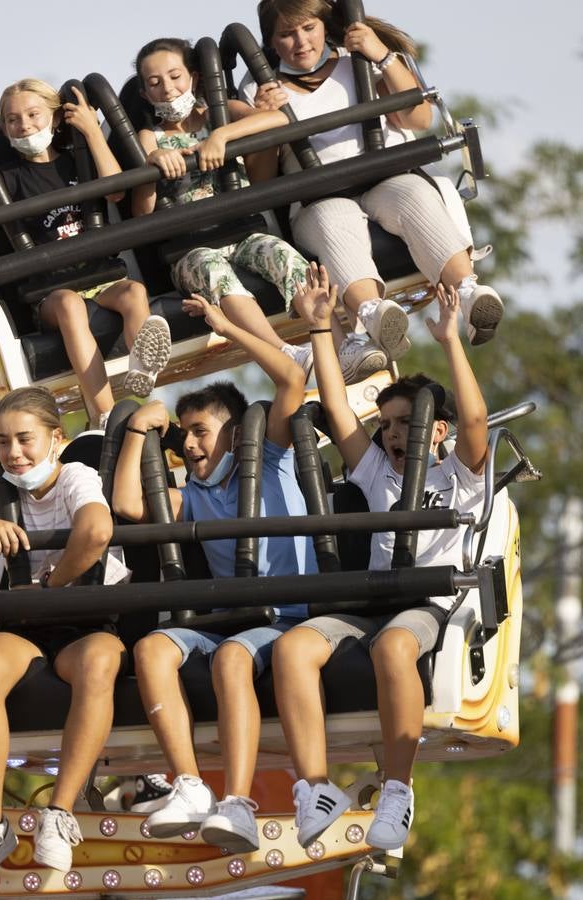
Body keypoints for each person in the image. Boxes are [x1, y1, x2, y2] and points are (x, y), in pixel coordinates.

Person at [273, 264, 488, 851]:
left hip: (427, 602)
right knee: (293, 648)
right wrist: (320, 329)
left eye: (404, 424)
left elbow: (474, 421)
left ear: (432, 429)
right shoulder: (374, 473)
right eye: (386, 425)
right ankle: (316, 786)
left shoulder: (459, 474)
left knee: (396, 645)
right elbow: (339, 409)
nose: (393, 434)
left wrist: (448, 340)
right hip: (370, 598)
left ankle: (398, 790)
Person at [111, 292, 315, 853]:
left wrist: (227, 328)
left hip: (285, 617)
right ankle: (191, 785)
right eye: (184, 435)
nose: (190, 444)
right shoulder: (197, 491)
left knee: (230, 658)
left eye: (200, 431)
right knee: (151, 650)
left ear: (234, 432)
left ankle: (239, 803)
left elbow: (292, 381)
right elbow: (130, 505)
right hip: (230, 618)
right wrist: (137, 431)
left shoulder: (268, 456)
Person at [0, 386, 128, 888]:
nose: (14, 454)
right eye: (2, 443)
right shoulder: (6, 498)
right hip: (25, 629)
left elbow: (96, 532)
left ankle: (58, 813)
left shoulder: (76, 478)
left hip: (84, 621)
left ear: (55, 440)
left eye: (25, 440)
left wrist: (52, 581)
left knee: (100, 662)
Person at [243, 0, 503, 377]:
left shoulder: (360, 58)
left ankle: (467, 291)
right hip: (320, 193)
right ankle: (373, 314)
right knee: (335, 221)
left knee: (414, 196)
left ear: (323, 25)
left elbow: (418, 117)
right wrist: (265, 120)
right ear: (271, 41)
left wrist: (381, 54)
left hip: (387, 174)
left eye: (308, 28)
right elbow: (260, 177)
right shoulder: (259, 85)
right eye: (286, 34)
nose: (300, 42)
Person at [130, 37, 364, 382]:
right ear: (145, 94)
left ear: (194, 77)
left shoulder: (220, 112)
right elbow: (142, 209)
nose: (167, 88)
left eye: (175, 76)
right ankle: (285, 351)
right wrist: (153, 162)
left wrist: (220, 137)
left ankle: (343, 347)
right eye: (155, 83)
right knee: (212, 269)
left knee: (282, 253)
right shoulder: (150, 136)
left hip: (241, 232)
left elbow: (276, 121)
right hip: (190, 250)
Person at [0, 79, 171, 427]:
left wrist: (91, 131)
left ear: (54, 118)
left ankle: (143, 367)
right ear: (5, 130)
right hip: (50, 290)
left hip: (98, 275)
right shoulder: (9, 178)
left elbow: (114, 191)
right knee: (70, 304)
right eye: (13, 120)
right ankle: (104, 413)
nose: (24, 125)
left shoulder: (75, 162)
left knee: (134, 291)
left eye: (33, 114)